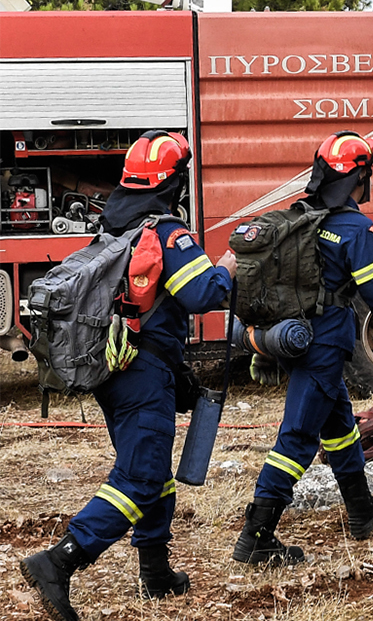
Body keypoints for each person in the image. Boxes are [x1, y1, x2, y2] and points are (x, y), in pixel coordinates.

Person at [21, 131, 235, 621]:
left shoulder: (114, 226)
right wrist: (226, 269)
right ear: (175, 182)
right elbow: (203, 295)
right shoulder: (167, 233)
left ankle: (156, 572)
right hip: (143, 372)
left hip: (112, 370)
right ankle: (59, 561)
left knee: (151, 469)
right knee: (141, 475)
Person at [232, 131, 373, 565]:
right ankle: (257, 534)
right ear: (361, 177)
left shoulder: (301, 218)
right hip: (324, 343)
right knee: (298, 435)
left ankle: (360, 506)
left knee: (337, 424)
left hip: (295, 336)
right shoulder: (355, 228)